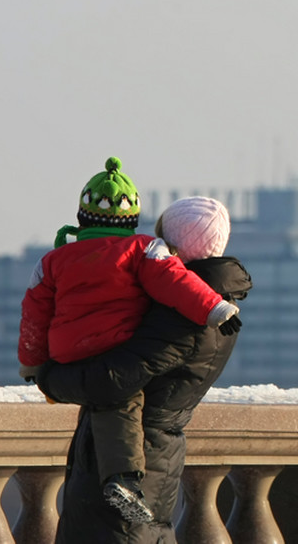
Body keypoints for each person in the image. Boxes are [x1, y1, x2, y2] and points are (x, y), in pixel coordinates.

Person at [18, 159, 241, 523]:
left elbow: (34, 316)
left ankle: (121, 480)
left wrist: (34, 364)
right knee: (121, 399)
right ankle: (123, 480)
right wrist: (214, 308)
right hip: (112, 346)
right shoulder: (145, 255)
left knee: (118, 397)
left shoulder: (54, 260)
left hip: (69, 352)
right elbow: (177, 285)